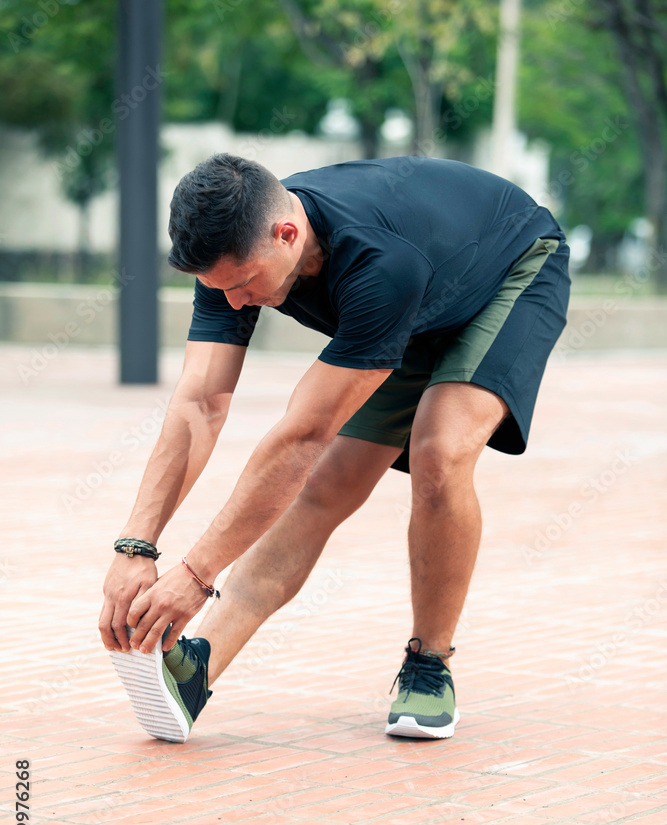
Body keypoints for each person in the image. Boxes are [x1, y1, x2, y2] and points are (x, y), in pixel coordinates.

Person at [100, 153, 571, 743]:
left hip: (510, 270)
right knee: (325, 484)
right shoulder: (233, 260)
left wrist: (195, 573)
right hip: (418, 302)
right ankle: (199, 668)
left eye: (245, 285)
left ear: (287, 234)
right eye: (221, 290)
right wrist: (135, 546)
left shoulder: (380, 264)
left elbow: (303, 435)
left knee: (438, 452)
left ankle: (430, 664)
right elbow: (200, 402)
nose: (236, 303)